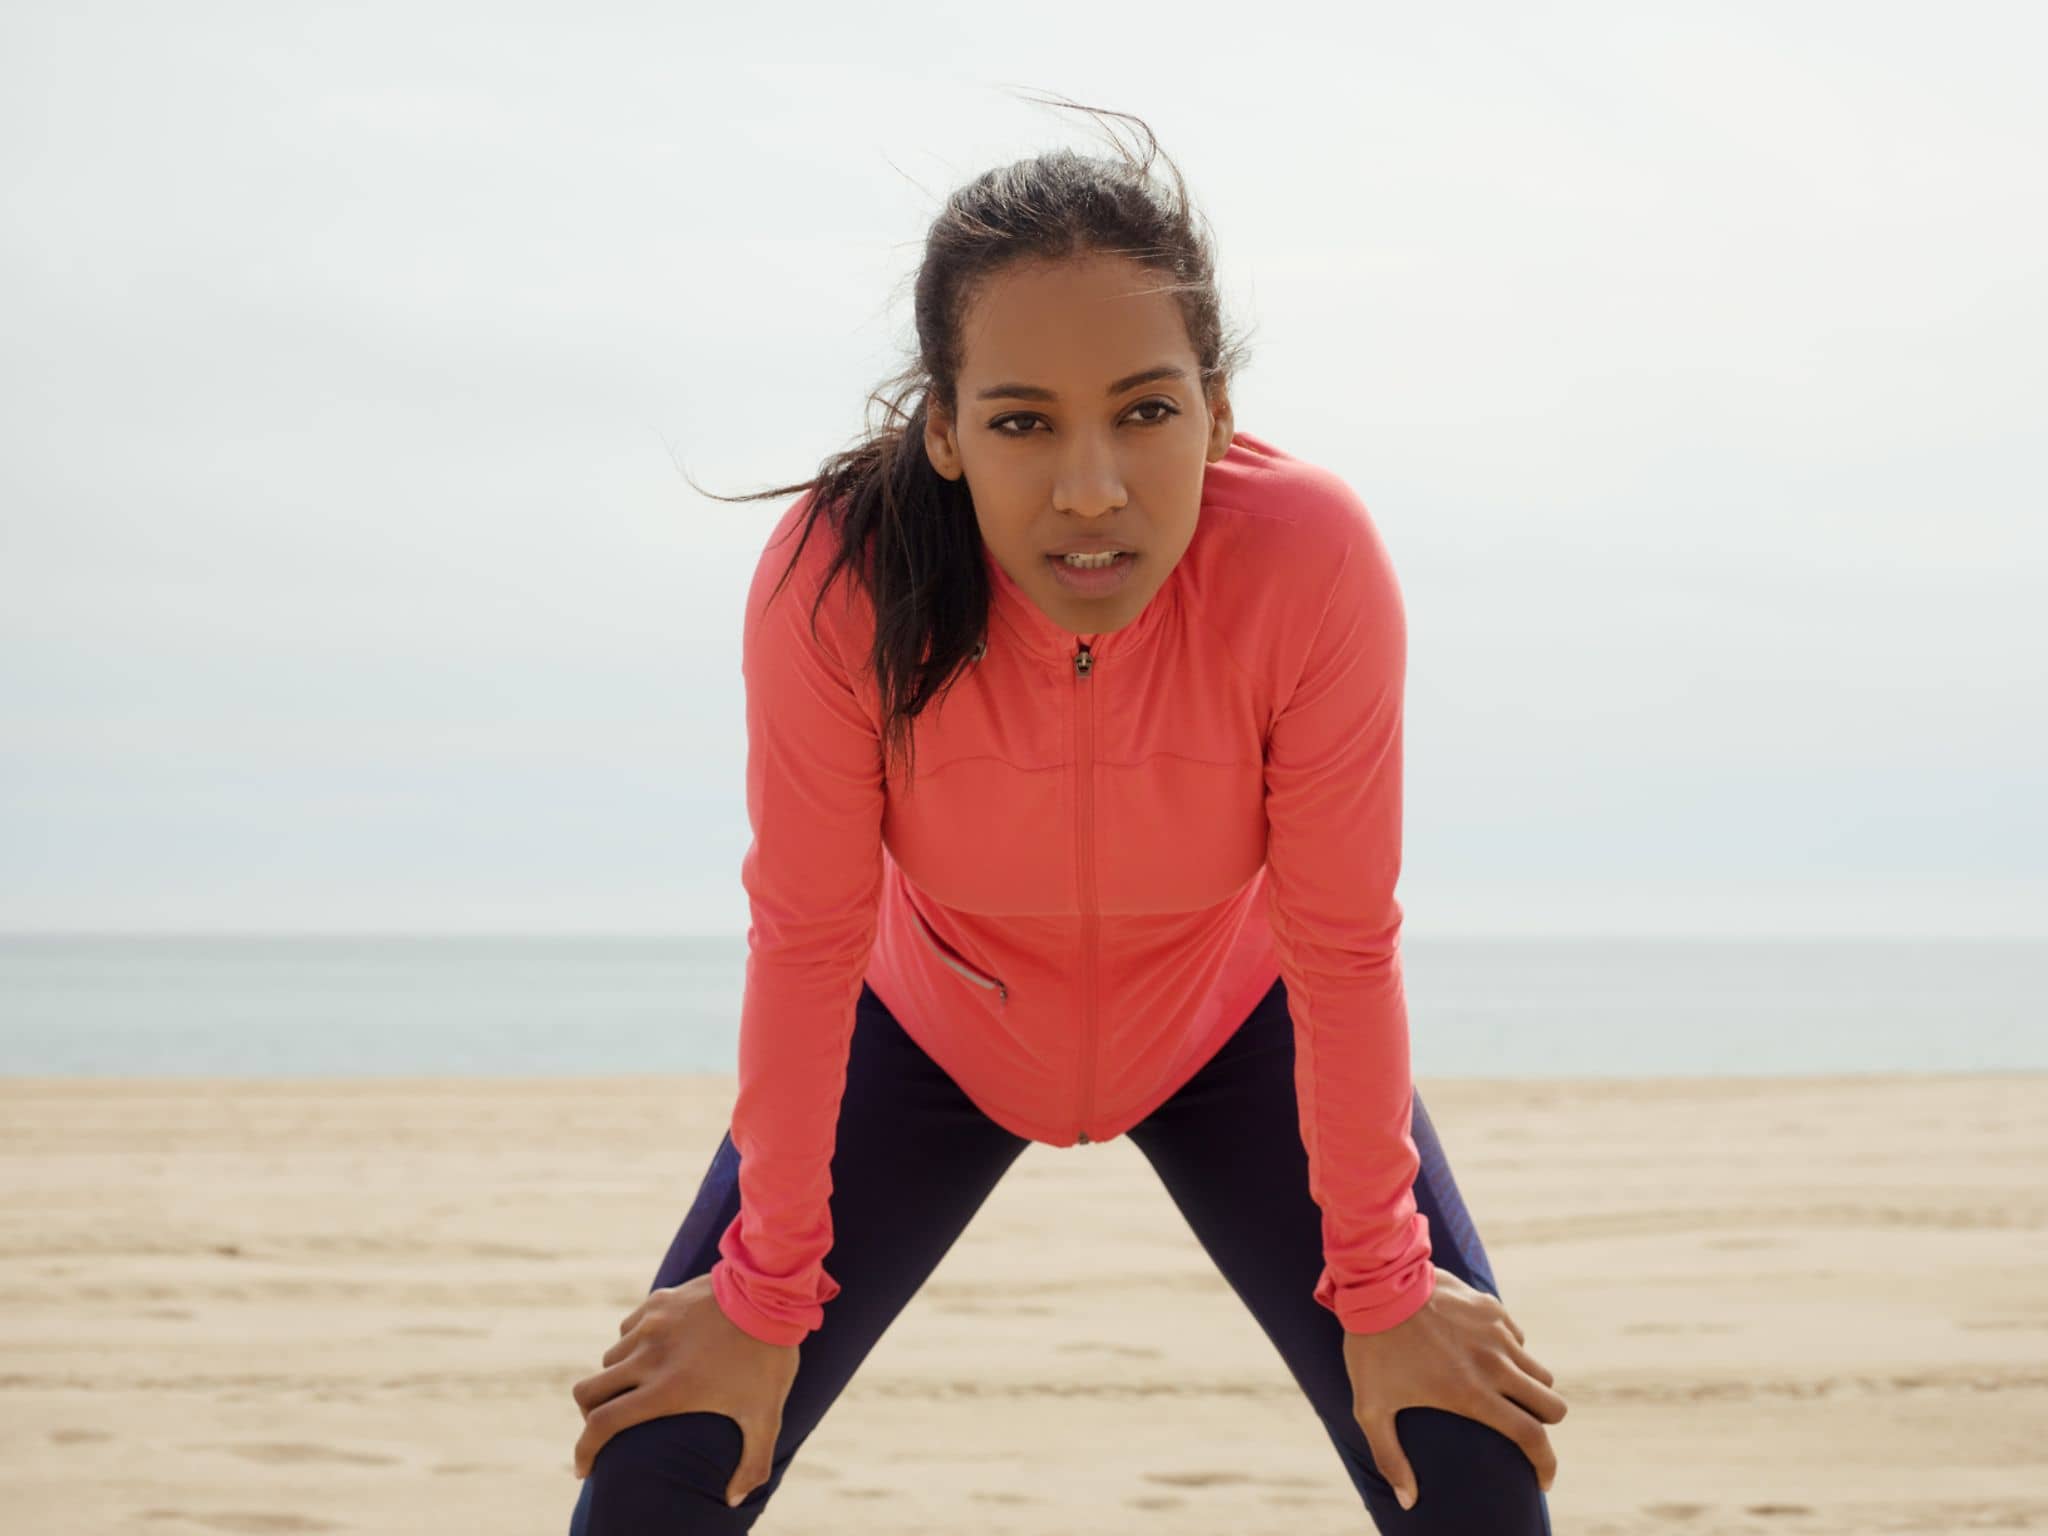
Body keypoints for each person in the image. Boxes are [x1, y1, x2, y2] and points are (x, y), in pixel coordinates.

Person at [565, 100, 1566, 1534]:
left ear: (1220, 411)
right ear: (948, 432)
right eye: (1024, 422)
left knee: (1472, 1474)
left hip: (1238, 1026)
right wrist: (762, 1294)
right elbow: (805, 939)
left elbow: (1345, 942)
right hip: (921, 1029)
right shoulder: (836, 579)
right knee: (656, 1477)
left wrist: (1388, 1290)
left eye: (1147, 412)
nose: (1091, 492)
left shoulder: (1311, 563)